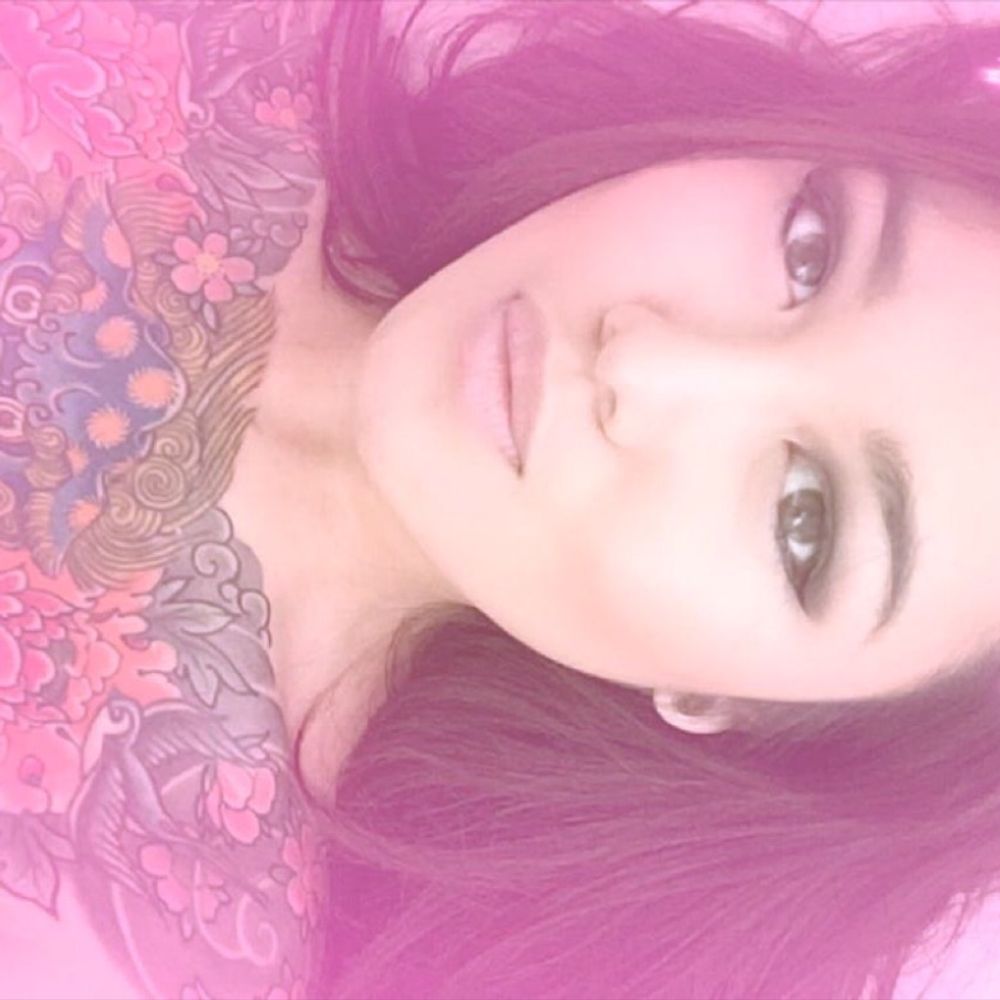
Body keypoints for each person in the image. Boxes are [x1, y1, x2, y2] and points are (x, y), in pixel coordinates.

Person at [2, 1, 1000, 998]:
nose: (647, 364)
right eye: (810, 248)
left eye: (803, 520)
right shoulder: (201, 29)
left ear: (724, 701)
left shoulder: (131, 945)